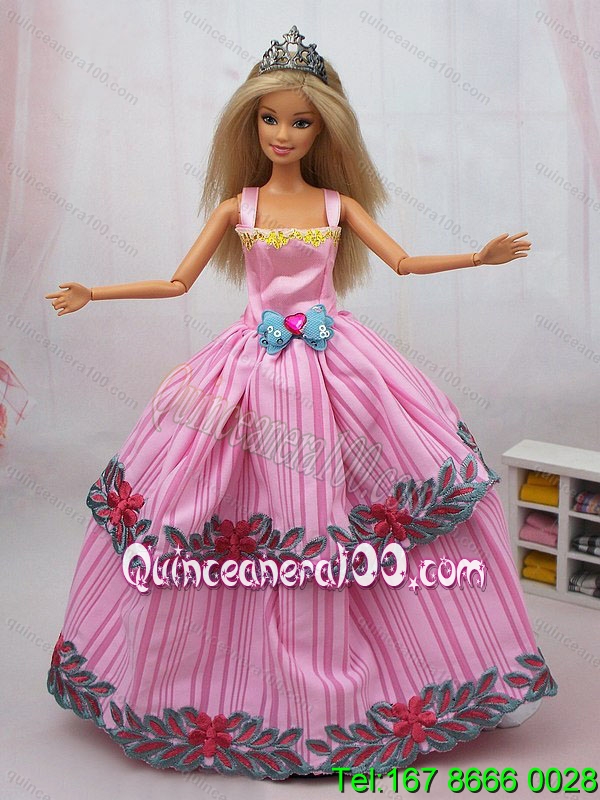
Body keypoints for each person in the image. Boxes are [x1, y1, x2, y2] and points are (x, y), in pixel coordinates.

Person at [44, 25, 557, 782]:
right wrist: (96, 291)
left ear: (324, 130)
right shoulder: (239, 205)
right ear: (250, 123)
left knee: (373, 498)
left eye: (300, 121)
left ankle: (396, 675)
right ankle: (220, 686)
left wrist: (476, 255)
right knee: (208, 502)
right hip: (250, 369)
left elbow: (403, 262)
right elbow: (178, 281)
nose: (282, 134)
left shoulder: (337, 204)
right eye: (270, 118)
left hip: (336, 366)